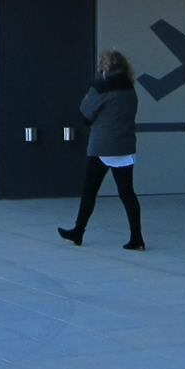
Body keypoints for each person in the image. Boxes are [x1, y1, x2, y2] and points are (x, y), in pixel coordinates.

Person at [58, 50, 144, 251]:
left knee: (90, 191)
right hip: (125, 146)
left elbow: (85, 113)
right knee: (127, 193)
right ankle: (137, 237)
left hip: (102, 147)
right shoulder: (130, 88)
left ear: (104, 67)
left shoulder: (100, 87)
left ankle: (78, 231)